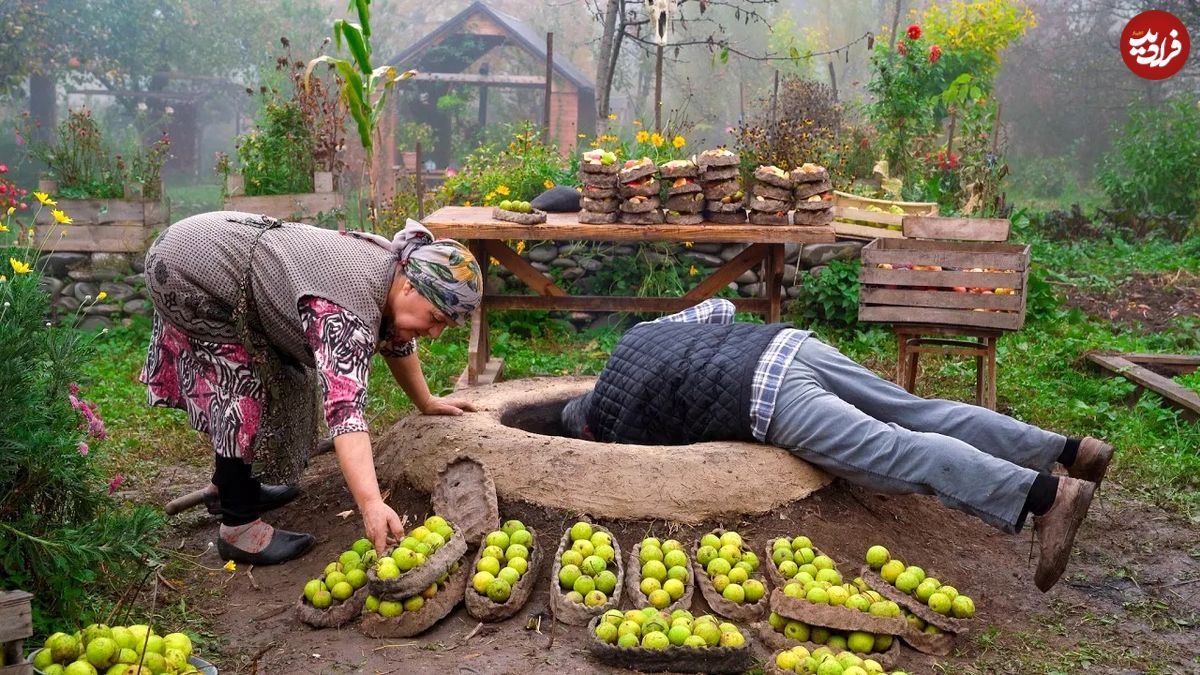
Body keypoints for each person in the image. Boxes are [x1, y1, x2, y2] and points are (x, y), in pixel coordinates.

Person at [560, 299, 1112, 592]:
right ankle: (1070, 449)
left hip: (767, 397)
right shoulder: (637, 336)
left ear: (586, 430)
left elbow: (659, 473)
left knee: (898, 452)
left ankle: (1046, 499)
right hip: (788, 346)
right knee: (918, 411)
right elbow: (721, 307)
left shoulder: (619, 431)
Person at [140, 211, 481, 565]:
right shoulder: (347, 310)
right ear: (410, 286)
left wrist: (425, 400)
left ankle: (229, 487)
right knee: (241, 384)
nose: (436, 333)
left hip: (216, 249)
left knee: (279, 377)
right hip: (187, 268)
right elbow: (345, 413)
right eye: (436, 318)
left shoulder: (393, 273)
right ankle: (237, 524)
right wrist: (371, 503)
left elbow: (396, 340)